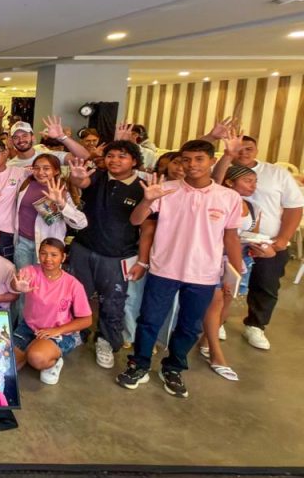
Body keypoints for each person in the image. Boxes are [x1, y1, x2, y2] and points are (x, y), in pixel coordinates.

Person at [117, 140, 244, 399]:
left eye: (199, 159)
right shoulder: (165, 190)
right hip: (165, 269)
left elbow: (231, 237)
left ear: (211, 161)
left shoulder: (228, 197)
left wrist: (235, 274)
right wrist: (147, 200)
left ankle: (173, 368)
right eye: (186, 159)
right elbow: (136, 220)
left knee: (189, 326)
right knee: (149, 321)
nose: (192, 165)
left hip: (204, 274)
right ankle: (139, 364)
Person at [67, 140, 151, 369]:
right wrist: (76, 177)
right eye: (110, 155)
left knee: (113, 302)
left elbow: (145, 227)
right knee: (76, 295)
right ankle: (77, 333)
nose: (114, 160)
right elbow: (81, 181)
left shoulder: (144, 187)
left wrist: (143, 261)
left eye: (121, 156)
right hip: (83, 248)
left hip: (117, 256)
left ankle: (106, 341)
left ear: (134, 160)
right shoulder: (99, 175)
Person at [198, 162, 272, 381]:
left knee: (227, 301)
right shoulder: (217, 200)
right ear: (230, 182)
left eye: (255, 181)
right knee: (217, 301)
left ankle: (205, 341)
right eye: (247, 181)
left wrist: (260, 247)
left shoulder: (253, 207)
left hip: (240, 260)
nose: (253, 186)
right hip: (216, 257)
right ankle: (215, 353)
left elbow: (253, 234)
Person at [231, 135, 304, 351]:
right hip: (229, 240)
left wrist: (281, 242)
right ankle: (218, 322)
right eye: (238, 149)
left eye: (249, 148)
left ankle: (256, 325)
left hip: (267, 241)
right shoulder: (222, 170)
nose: (243, 153)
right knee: (224, 285)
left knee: (266, 284)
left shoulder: (276, 173)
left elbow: (294, 207)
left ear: (256, 149)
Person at [9, 238, 92, 385]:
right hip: (29, 327)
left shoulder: (73, 284)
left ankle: (54, 361)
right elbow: (16, 282)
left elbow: (86, 320)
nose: (48, 259)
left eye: (54, 255)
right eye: (43, 253)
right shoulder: (31, 271)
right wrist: (16, 286)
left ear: (63, 257)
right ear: (38, 254)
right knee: (5, 365)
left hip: (57, 332)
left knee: (36, 357)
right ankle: (31, 348)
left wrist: (57, 330)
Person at [11, 154, 88, 270]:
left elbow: (81, 224)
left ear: (56, 171)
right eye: (36, 168)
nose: (40, 172)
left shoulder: (62, 190)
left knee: (44, 283)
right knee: (24, 281)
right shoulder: (25, 183)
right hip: (22, 243)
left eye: (46, 168)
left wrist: (61, 204)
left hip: (48, 246)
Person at [7, 117, 90, 168]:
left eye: (25, 135)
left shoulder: (49, 157)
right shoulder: (9, 166)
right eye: (16, 137)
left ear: (33, 137)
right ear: (12, 141)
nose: (21, 140)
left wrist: (62, 137)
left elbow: (84, 156)